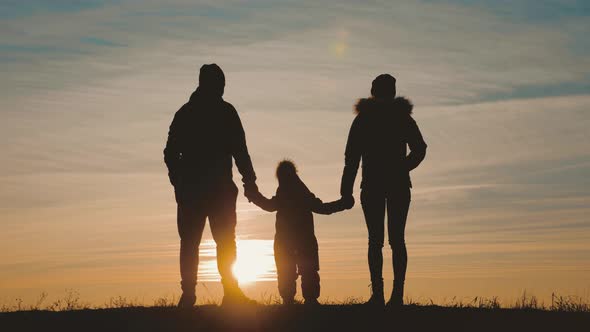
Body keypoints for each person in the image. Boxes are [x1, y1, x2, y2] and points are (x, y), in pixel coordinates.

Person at [164, 64, 259, 307]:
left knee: (208, 242)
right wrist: (179, 182)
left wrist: (249, 181)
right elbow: (240, 151)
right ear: (211, 84)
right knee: (204, 242)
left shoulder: (188, 113)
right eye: (220, 84)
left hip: (206, 191)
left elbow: (239, 150)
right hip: (204, 191)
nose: (223, 88)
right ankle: (198, 294)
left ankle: (218, 293)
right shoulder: (217, 113)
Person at [340, 74, 427, 307]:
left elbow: (351, 159)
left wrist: (345, 192)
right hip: (391, 185)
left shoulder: (365, 119)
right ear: (392, 91)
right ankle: (392, 295)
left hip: (375, 184)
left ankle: (383, 295)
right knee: (394, 240)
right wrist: (402, 167)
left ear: (373, 91)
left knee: (377, 241)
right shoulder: (401, 117)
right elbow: (420, 149)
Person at [250, 160, 353, 305]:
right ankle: (303, 300)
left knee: (292, 270)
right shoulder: (301, 192)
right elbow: (322, 208)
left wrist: (254, 196)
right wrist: (342, 204)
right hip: (302, 240)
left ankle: (293, 300)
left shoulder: (287, 193)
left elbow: (269, 205)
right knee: (302, 270)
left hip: (291, 240)